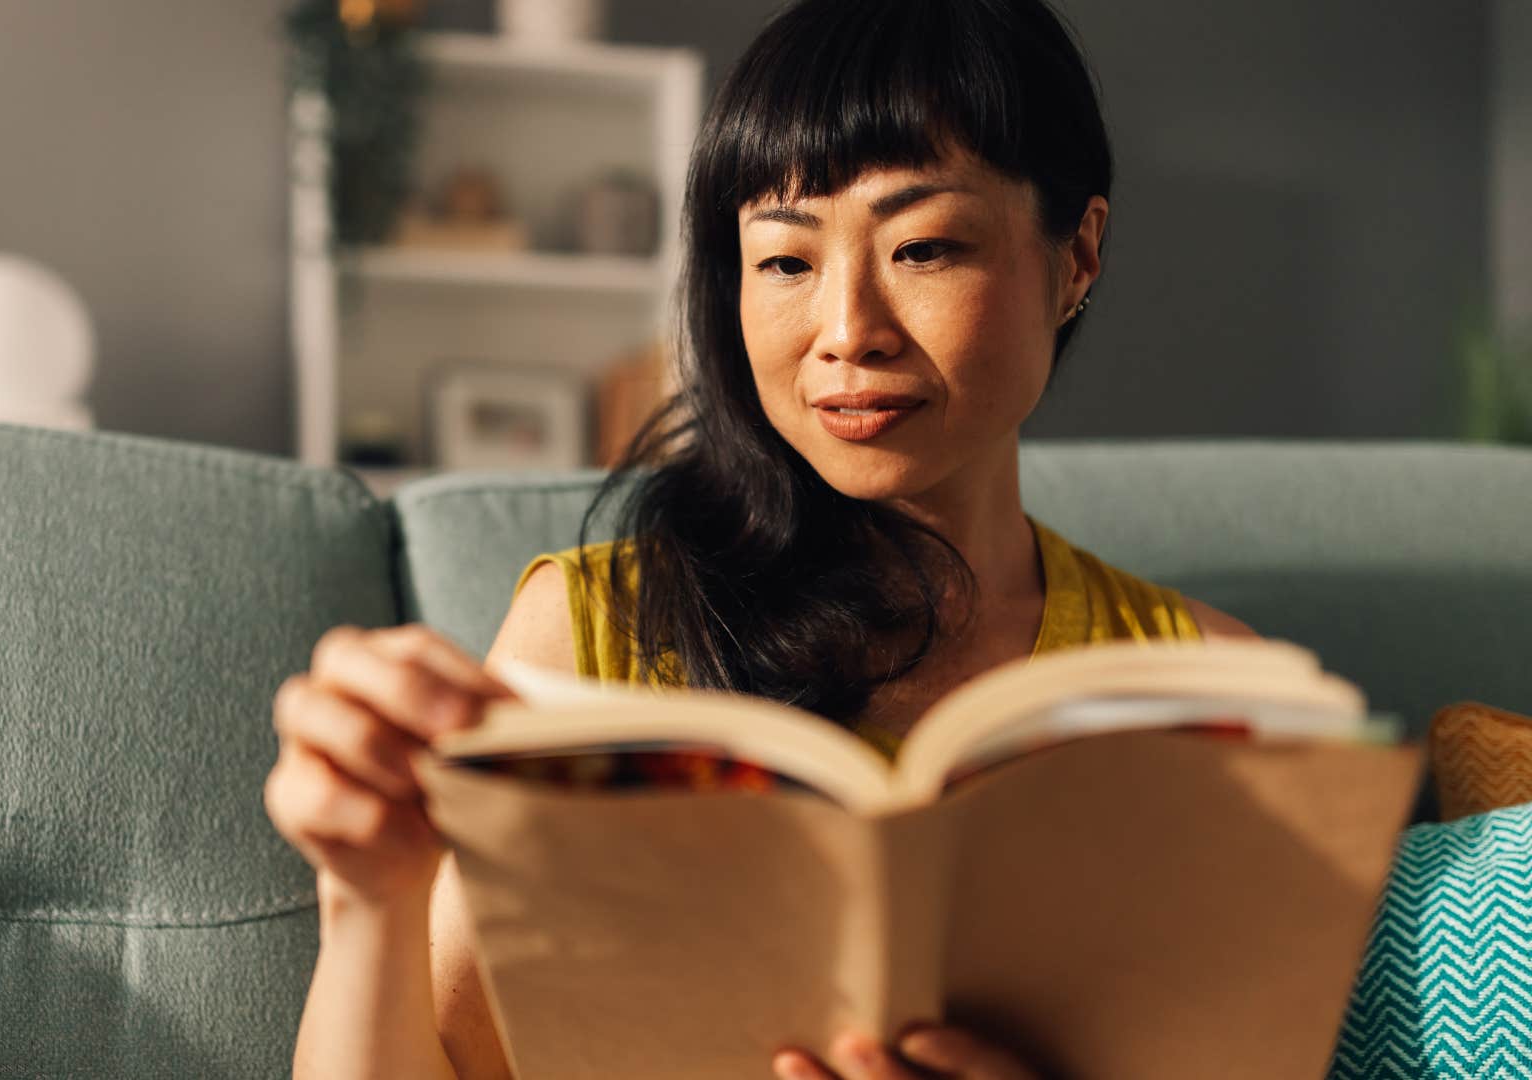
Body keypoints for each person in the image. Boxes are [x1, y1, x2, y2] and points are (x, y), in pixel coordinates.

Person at [265, 0, 1258, 1076]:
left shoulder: (1209, 692)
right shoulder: (592, 641)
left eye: (923, 246)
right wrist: (368, 896)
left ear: (1078, 256)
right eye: (785, 262)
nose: (846, 333)